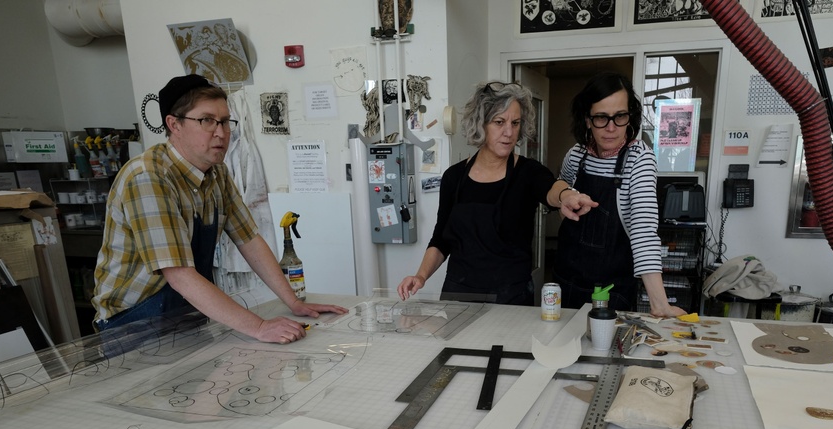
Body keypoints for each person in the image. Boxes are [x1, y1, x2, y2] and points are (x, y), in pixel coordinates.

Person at [92, 74, 346, 345]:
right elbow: (179, 275)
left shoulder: (217, 173)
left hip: (186, 313)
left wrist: (293, 302)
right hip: (132, 325)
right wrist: (259, 327)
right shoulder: (148, 177)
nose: (221, 132)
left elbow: (250, 240)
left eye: (225, 121)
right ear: (174, 124)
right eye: (207, 120)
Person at [396, 81, 590, 305]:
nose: (509, 132)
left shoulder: (527, 172)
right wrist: (420, 276)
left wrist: (566, 195)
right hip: (459, 295)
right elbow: (441, 239)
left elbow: (550, 188)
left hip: (510, 297)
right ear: (481, 124)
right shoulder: (454, 177)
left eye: (515, 123)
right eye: (499, 122)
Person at [553, 72, 687, 317]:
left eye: (620, 116)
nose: (612, 128)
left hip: (611, 291)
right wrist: (565, 198)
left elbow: (643, 230)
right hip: (567, 282)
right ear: (587, 119)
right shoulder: (577, 154)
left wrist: (660, 304)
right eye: (602, 118)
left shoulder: (640, 159)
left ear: (630, 115)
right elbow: (561, 184)